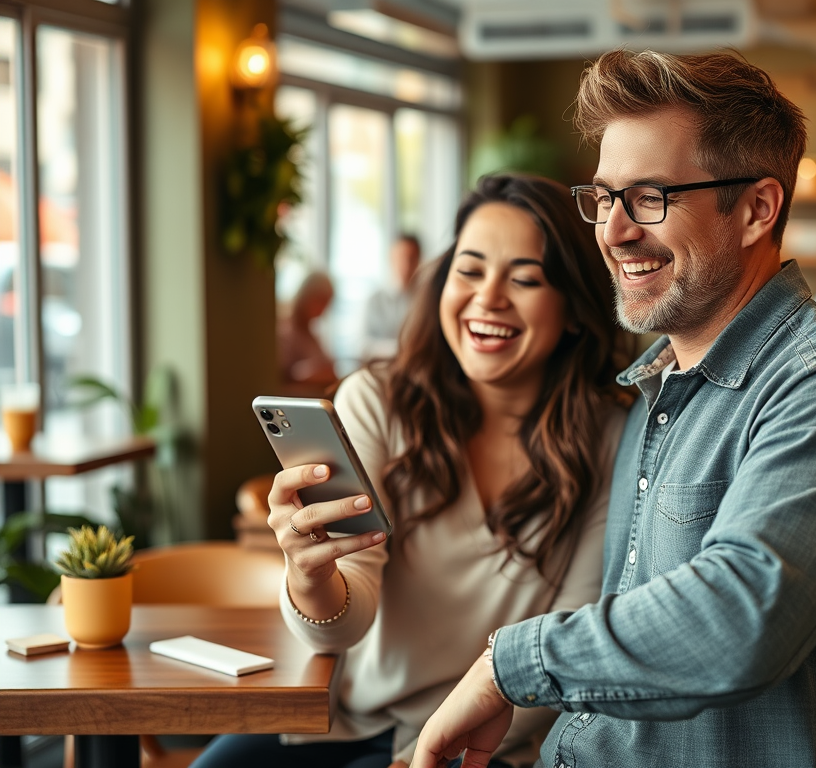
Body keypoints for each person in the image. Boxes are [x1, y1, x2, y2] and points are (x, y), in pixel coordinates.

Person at [411, 50, 816, 768]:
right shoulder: (657, 391)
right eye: (603, 198)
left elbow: (737, 621)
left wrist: (509, 666)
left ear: (757, 209)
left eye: (650, 197)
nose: (613, 231)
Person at [192, 174, 630, 768]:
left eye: (524, 279)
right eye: (470, 270)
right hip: (337, 719)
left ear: (575, 310)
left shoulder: (611, 438)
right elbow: (342, 626)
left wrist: (435, 744)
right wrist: (309, 577)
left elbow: (565, 641)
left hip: (486, 738)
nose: (489, 298)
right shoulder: (377, 402)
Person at [360, 233, 422, 361]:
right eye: (401, 257)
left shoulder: (424, 299)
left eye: (411, 258)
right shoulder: (374, 300)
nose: (406, 264)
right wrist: (400, 348)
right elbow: (364, 345)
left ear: (419, 260)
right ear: (391, 258)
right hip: (381, 370)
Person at [278, 270, 339, 389]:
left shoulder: (312, 335)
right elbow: (283, 375)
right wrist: (309, 373)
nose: (322, 310)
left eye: (326, 304)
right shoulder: (285, 332)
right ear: (307, 296)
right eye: (320, 302)